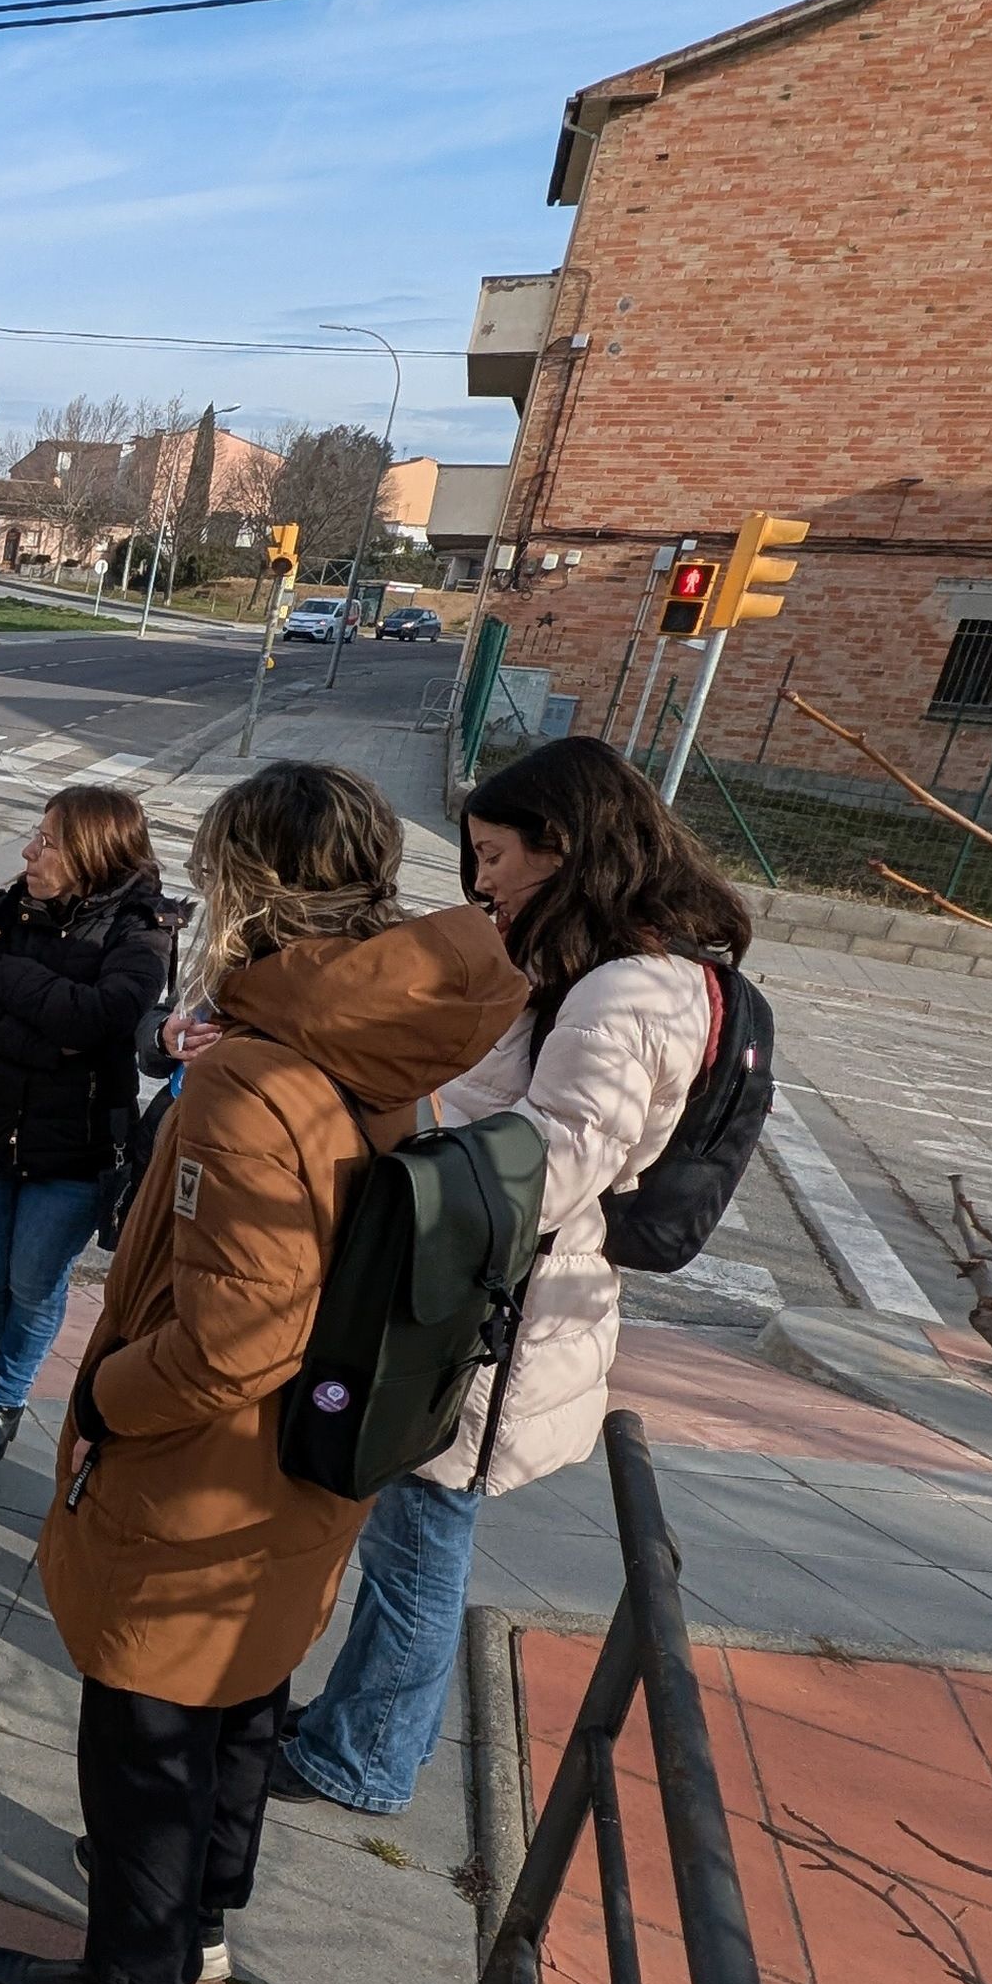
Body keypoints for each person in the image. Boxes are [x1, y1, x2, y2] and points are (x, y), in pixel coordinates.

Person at [0, 761, 523, 1984]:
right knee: (241, 1691)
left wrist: (108, 1394)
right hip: (305, 1460)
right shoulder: (380, 1038)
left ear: (244, 889)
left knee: (148, 1722)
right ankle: (200, 1920)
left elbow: (235, 1333)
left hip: (205, 1468)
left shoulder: (259, 1073)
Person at [277, 736, 749, 1816]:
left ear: (565, 848)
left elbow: (557, 1155)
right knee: (412, 1532)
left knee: (420, 1540)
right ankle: (363, 1726)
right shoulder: (622, 971)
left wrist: (402, 1115)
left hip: (499, 1310)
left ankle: (365, 1758)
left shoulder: (630, 991)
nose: (480, 878)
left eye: (495, 855)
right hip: (498, 1295)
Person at [0, 785, 172, 1468]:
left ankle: (5, 1396)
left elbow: (107, 1016)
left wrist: (22, 983)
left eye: (50, 841)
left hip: (77, 1147)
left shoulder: (142, 925)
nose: (31, 850)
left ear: (91, 851)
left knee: (32, 1283)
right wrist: (46, 1040)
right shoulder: (15, 904)